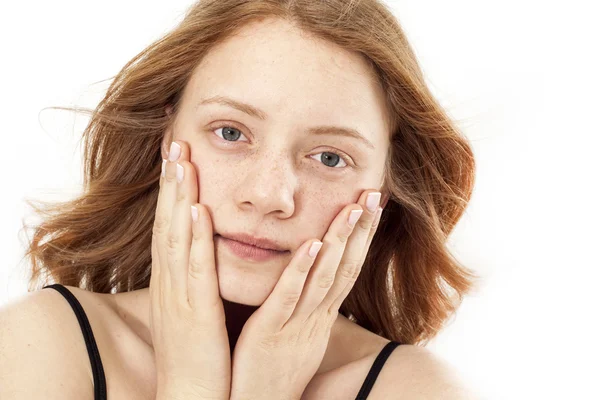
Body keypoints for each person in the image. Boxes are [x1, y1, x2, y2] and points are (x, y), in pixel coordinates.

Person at [1, 0, 481, 398]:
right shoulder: (38, 343)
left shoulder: (415, 389)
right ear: (165, 135)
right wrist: (191, 386)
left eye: (330, 158)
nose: (267, 196)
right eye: (230, 132)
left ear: (386, 186)